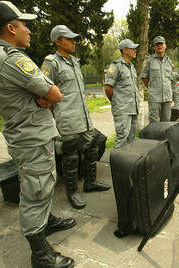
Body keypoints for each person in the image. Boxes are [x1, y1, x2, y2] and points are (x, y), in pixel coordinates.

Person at [0, 2, 75, 267]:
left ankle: (46, 222)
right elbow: (55, 93)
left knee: (40, 185)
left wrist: (42, 97)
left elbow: (44, 95)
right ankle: (41, 255)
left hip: (26, 135)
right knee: (35, 192)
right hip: (31, 138)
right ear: (11, 28)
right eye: (25, 25)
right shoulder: (12, 59)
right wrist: (45, 96)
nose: (29, 30)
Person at [41, 25, 110, 210]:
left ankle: (90, 182)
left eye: (74, 39)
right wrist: (54, 113)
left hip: (84, 117)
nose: (74, 42)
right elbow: (43, 91)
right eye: (69, 39)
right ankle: (72, 192)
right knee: (70, 157)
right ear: (57, 41)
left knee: (92, 146)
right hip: (68, 119)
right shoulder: (52, 62)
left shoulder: (74, 61)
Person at [104, 39, 140, 148]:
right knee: (122, 138)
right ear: (124, 50)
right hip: (123, 109)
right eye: (132, 48)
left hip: (133, 108)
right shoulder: (115, 65)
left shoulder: (132, 67)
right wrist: (116, 102)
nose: (135, 50)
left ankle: (129, 163)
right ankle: (117, 163)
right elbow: (107, 87)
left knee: (132, 138)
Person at [141, 36, 174, 123]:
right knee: (154, 121)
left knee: (166, 121)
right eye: (157, 44)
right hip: (154, 97)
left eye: (161, 44)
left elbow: (171, 79)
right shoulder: (149, 61)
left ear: (165, 46)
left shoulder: (169, 62)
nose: (159, 46)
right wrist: (153, 88)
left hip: (167, 97)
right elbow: (144, 77)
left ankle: (164, 137)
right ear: (154, 47)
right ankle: (153, 137)